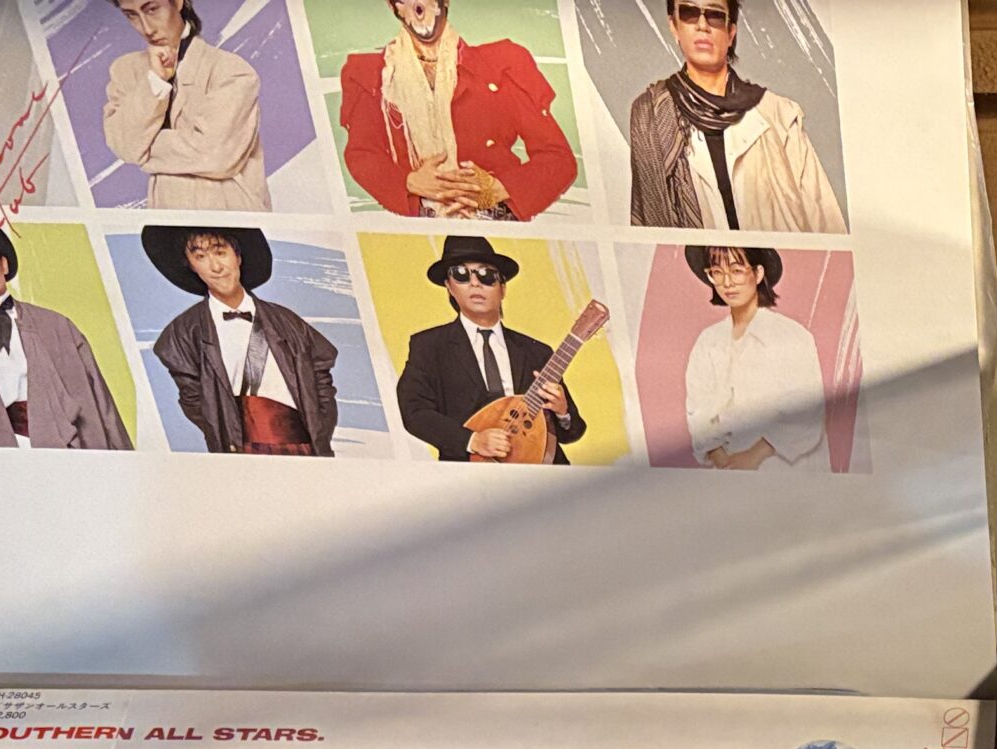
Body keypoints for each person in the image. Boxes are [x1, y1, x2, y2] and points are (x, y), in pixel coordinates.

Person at [338, 0, 577, 220]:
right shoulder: (374, 74)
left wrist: (500, 188)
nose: (417, 7)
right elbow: (363, 154)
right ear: (393, 8)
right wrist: (409, 182)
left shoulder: (500, 64)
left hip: (497, 217)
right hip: (418, 222)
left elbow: (558, 159)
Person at [627, 0, 845, 233]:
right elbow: (648, 236)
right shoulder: (650, 114)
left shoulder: (779, 114)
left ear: (731, 32)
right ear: (674, 25)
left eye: (715, 15)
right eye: (689, 12)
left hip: (783, 256)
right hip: (696, 258)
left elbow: (828, 227)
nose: (702, 25)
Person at [144, 226, 338, 456]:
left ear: (238, 256)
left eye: (220, 252)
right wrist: (225, 430)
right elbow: (192, 399)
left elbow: (321, 377)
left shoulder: (287, 321)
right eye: (201, 257)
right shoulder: (182, 333)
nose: (216, 267)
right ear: (191, 265)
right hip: (237, 449)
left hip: (301, 446)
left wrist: (319, 430)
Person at [396, 234, 586, 462]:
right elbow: (414, 412)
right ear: (449, 286)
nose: (475, 283)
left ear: (503, 287)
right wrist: (472, 440)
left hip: (540, 472)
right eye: (461, 274)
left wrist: (562, 412)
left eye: (486, 275)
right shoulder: (429, 346)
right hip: (468, 473)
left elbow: (573, 432)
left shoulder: (537, 351)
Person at [0, 221, 133, 451]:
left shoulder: (57, 325)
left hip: (71, 448)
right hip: (3, 453)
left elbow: (103, 404)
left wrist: (123, 460)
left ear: (3, 263)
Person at [102, 0, 269, 211]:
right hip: (167, 219)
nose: (147, 28)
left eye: (152, 9)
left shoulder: (231, 70)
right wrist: (156, 81)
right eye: (131, 15)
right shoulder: (126, 70)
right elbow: (124, 146)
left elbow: (214, 155)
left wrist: (144, 149)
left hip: (231, 215)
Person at [682, 245, 823, 469]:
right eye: (717, 272)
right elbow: (698, 413)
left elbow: (806, 414)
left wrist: (753, 456)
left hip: (778, 466)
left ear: (758, 273)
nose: (727, 282)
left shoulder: (792, 336)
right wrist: (722, 460)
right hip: (723, 471)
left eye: (736, 270)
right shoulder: (707, 341)